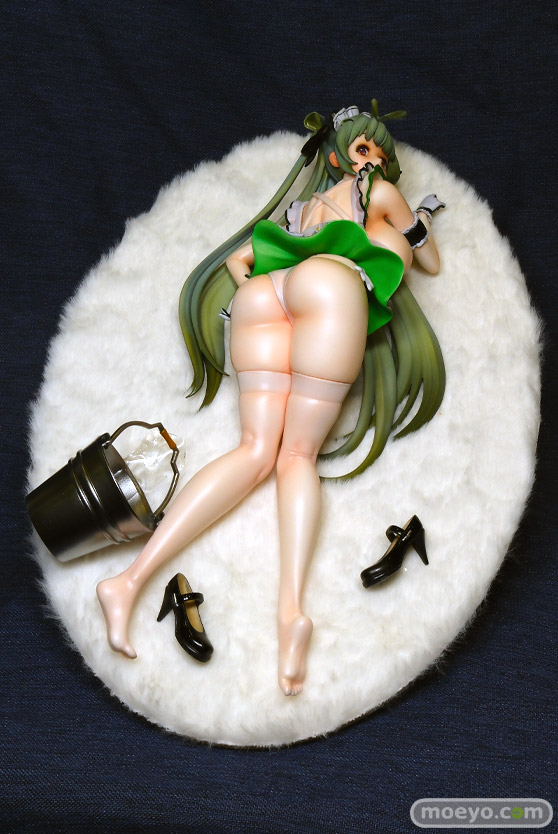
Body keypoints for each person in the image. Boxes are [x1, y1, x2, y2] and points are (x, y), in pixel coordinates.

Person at [97, 101, 445, 696]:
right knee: (295, 456)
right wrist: (419, 222)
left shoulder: (302, 210)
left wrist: (274, 299)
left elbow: (242, 263)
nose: (374, 160)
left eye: (380, 153)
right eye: (365, 149)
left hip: (264, 294)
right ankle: (290, 614)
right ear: (342, 157)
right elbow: (429, 262)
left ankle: (126, 582)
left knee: (255, 450)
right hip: (330, 288)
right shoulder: (380, 192)